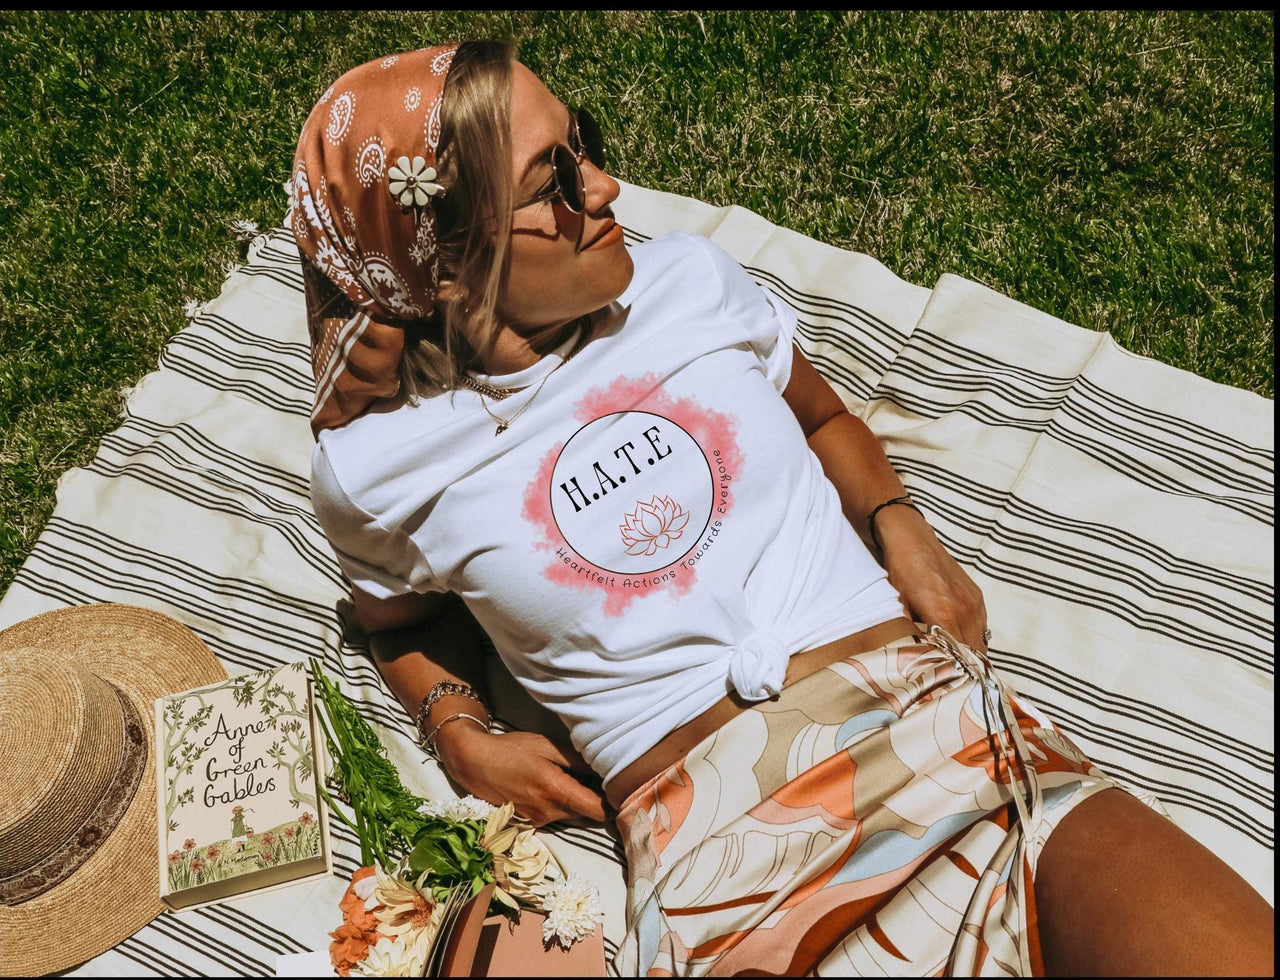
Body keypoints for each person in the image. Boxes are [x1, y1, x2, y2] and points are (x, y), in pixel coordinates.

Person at [291, 41, 1273, 976]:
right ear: (448, 264)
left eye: (582, 142)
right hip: (719, 858)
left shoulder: (683, 283)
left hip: (940, 729)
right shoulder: (383, 465)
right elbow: (398, 617)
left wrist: (900, 523)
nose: (603, 190)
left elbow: (820, 414)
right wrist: (458, 731)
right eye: (553, 180)